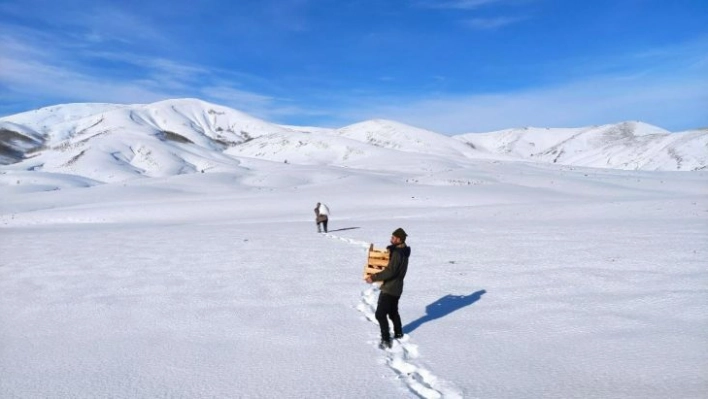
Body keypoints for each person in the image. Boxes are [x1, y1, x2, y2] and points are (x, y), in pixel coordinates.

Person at [365, 228, 410, 349]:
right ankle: (398, 333)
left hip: (390, 288)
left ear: (400, 239)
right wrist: (373, 256)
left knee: (380, 314)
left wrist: (373, 277)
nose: (391, 239)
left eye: (394, 238)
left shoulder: (397, 253)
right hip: (397, 288)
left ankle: (385, 339)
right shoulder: (403, 251)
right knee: (393, 311)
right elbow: (386, 262)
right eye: (392, 237)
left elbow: (390, 271)